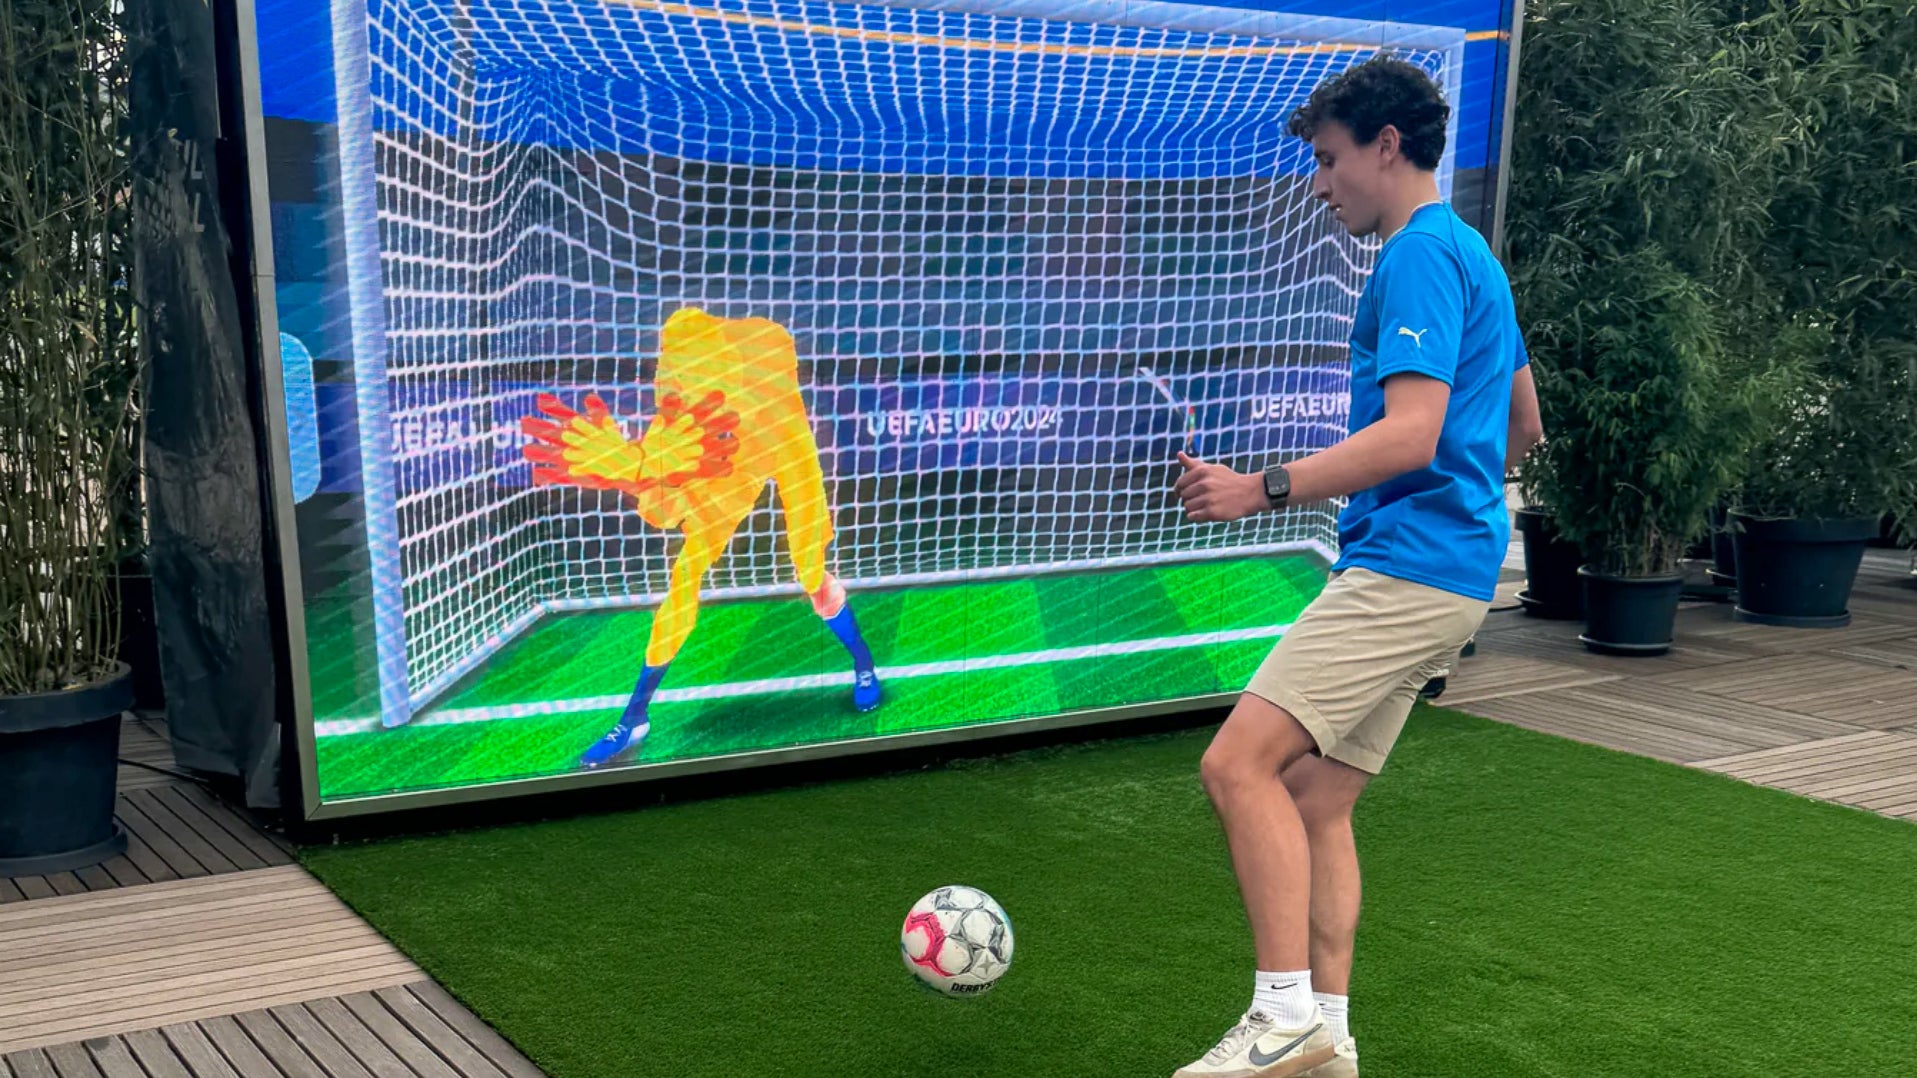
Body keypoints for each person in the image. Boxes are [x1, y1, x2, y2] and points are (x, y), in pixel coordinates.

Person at [1169, 55, 1543, 1078]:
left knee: (1235, 764)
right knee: (1313, 798)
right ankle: (1326, 1033)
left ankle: (1282, 1015)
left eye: (1330, 160)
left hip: (1408, 568)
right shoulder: (1475, 254)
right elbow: (1523, 424)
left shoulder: (1417, 257)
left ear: (1387, 146)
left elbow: (1414, 432)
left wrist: (1261, 487)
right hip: (1449, 568)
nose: (1320, 184)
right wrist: (1465, 511)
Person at [522, 307, 883, 770]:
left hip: (778, 439)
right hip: (725, 458)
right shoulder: (679, 383)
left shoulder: (766, 360)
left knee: (809, 568)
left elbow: (769, 434)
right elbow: (665, 504)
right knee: (685, 573)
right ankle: (635, 716)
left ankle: (863, 662)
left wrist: (656, 468)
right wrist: (634, 473)